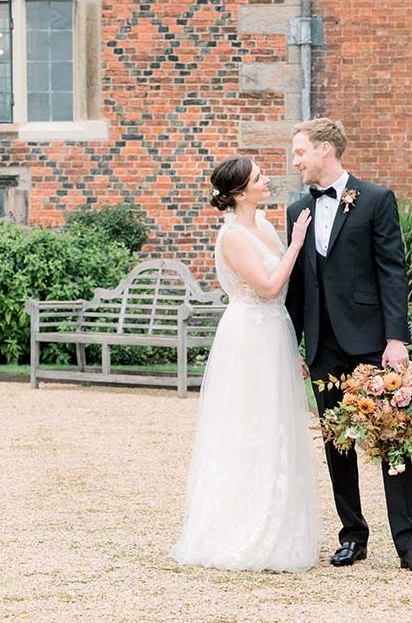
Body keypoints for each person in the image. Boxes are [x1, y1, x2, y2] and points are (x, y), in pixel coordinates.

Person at [285, 118, 412, 574]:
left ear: (326, 150)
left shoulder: (375, 200)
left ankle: (410, 543)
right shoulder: (296, 211)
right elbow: (296, 286)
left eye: (300, 152)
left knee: (393, 438)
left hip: (371, 343)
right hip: (323, 345)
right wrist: (291, 344)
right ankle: (353, 536)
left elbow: (392, 271)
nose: (295, 161)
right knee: (337, 443)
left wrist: (396, 339)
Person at [170, 155, 320, 572]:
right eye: (258, 177)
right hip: (249, 335)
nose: (266, 179)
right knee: (248, 425)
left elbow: (280, 296)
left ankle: (278, 520)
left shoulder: (266, 227)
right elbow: (270, 287)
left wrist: (294, 349)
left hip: (274, 333)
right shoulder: (234, 236)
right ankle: (240, 527)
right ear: (238, 192)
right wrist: (296, 244)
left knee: (277, 423)